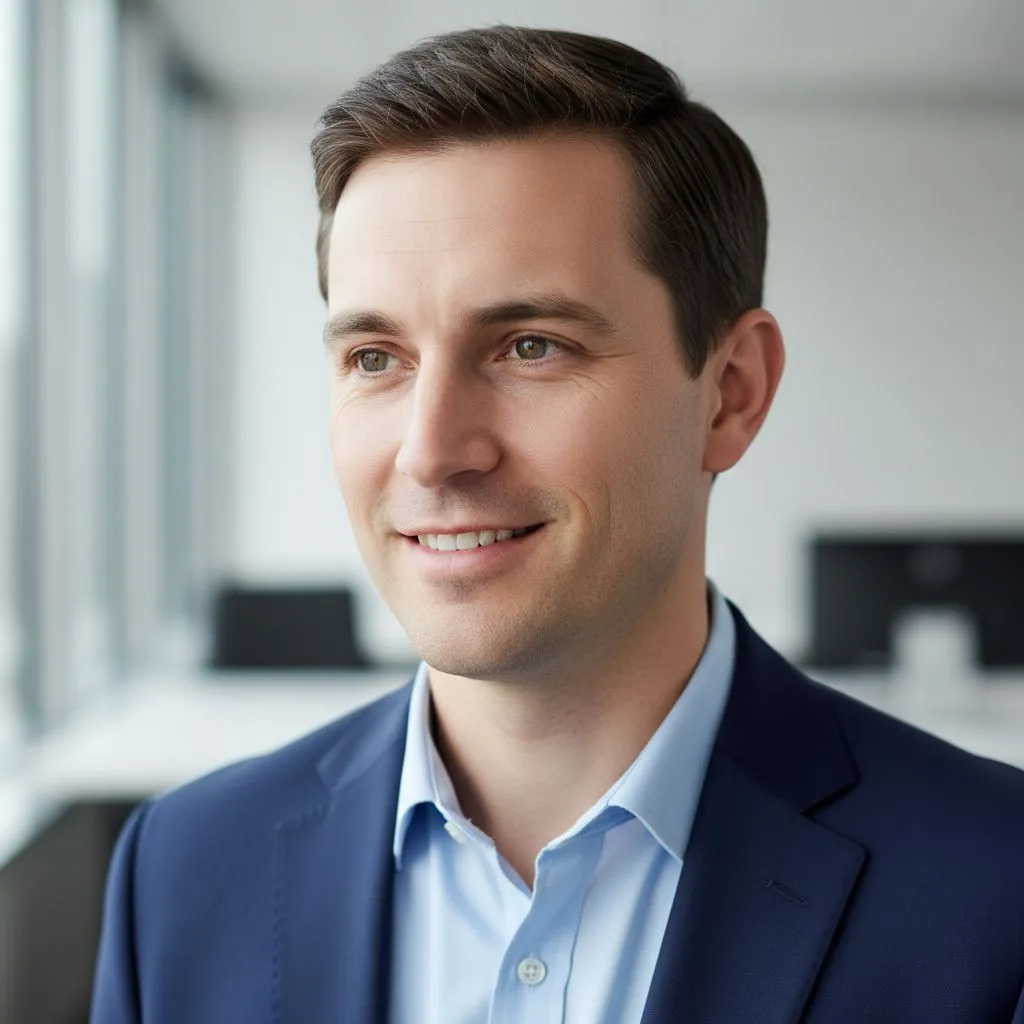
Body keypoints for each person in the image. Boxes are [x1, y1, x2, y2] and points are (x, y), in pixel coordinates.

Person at [91, 26, 1024, 1024]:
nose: (430, 450)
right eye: (375, 357)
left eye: (530, 346)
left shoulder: (993, 890)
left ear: (730, 396)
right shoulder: (181, 874)